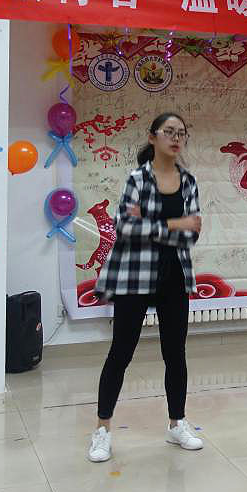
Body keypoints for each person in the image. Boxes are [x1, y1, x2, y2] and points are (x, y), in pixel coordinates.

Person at [87, 112, 204, 463]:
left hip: (174, 274)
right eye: (169, 131)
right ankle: (102, 430)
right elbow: (125, 227)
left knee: (175, 353)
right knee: (121, 352)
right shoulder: (137, 179)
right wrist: (174, 224)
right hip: (134, 275)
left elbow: (193, 232)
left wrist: (157, 225)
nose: (176, 138)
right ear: (153, 137)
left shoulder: (188, 182)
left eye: (181, 133)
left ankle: (176, 424)